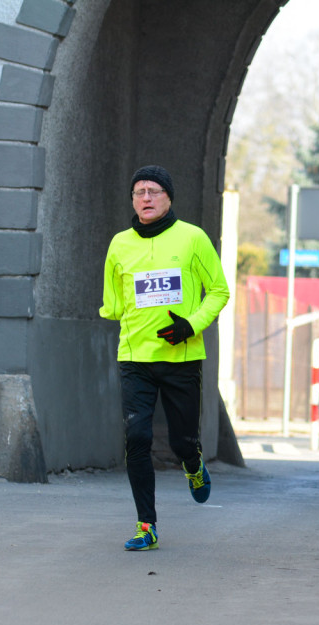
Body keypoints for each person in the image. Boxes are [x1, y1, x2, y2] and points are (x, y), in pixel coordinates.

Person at [100, 165, 230, 551]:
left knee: (182, 440)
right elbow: (113, 303)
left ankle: (194, 465)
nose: (146, 198)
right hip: (135, 359)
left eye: (154, 191)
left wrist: (190, 325)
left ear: (169, 197)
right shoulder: (120, 244)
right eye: (139, 191)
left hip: (182, 358)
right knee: (137, 439)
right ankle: (147, 526)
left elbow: (219, 291)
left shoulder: (193, 238)